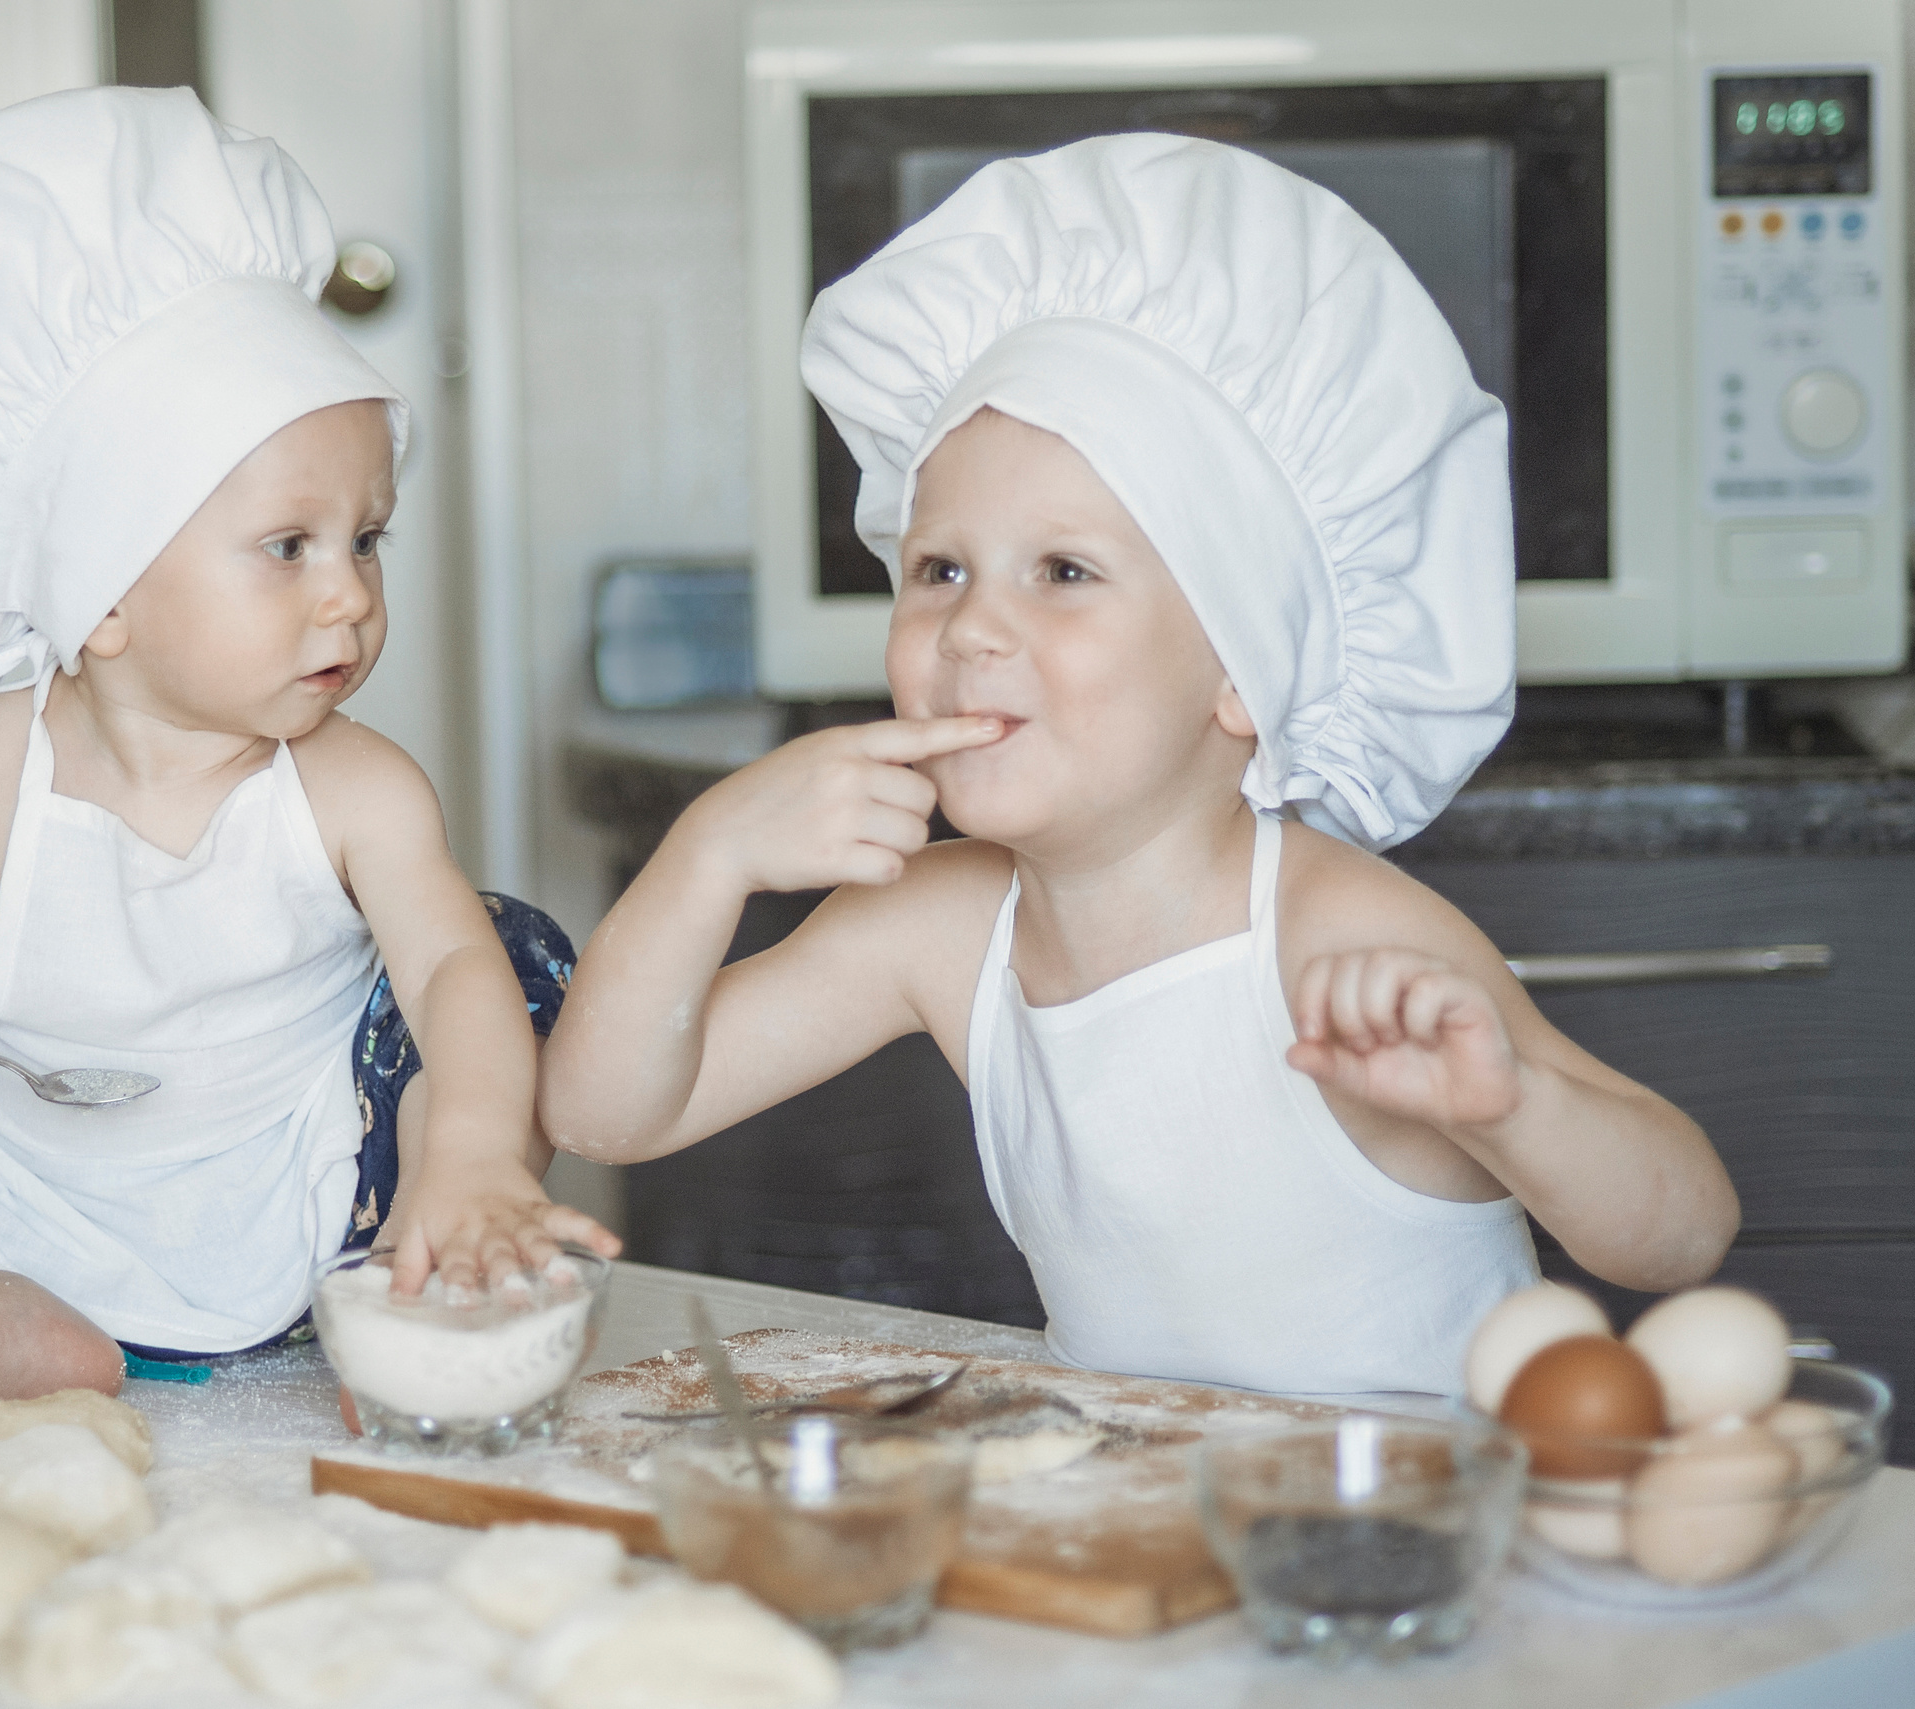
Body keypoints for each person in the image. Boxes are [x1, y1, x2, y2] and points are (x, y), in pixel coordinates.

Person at [540, 135, 1736, 1398]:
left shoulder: (1333, 935)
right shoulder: (940, 926)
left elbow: (1682, 1228)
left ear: (1243, 676)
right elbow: (607, 1114)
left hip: (1412, 1542)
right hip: (1148, 1522)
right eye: (939, 568)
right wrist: (708, 852)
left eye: (1062, 572)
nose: (973, 626)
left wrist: (1510, 1106)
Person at [0, 88, 613, 1436]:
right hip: (16, 1206)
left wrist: (467, 1152)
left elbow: (453, 974)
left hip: (315, 1206)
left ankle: (429, 1273)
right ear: (100, 595)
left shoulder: (353, 787)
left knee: (509, 953)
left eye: (367, 540)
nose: (348, 595)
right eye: (289, 548)